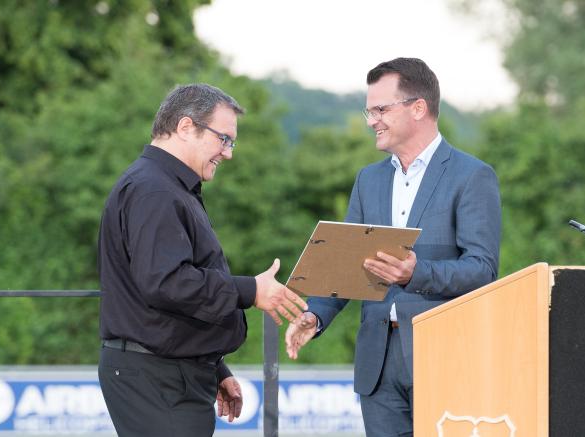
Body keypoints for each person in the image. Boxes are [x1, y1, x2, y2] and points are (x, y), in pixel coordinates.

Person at [285, 58, 502, 437]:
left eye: (381, 110)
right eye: (369, 111)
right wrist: (315, 315)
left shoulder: (472, 176)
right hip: (378, 364)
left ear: (418, 108)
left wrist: (416, 273)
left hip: (445, 358)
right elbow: (346, 267)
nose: (372, 121)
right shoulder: (367, 180)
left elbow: (483, 269)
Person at [97, 83, 307, 437]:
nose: (228, 153)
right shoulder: (155, 190)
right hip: (158, 377)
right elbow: (168, 283)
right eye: (223, 139)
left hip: (167, 372)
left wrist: (213, 366)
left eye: (231, 142)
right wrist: (251, 290)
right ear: (185, 127)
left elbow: (163, 300)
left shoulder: (165, 186)